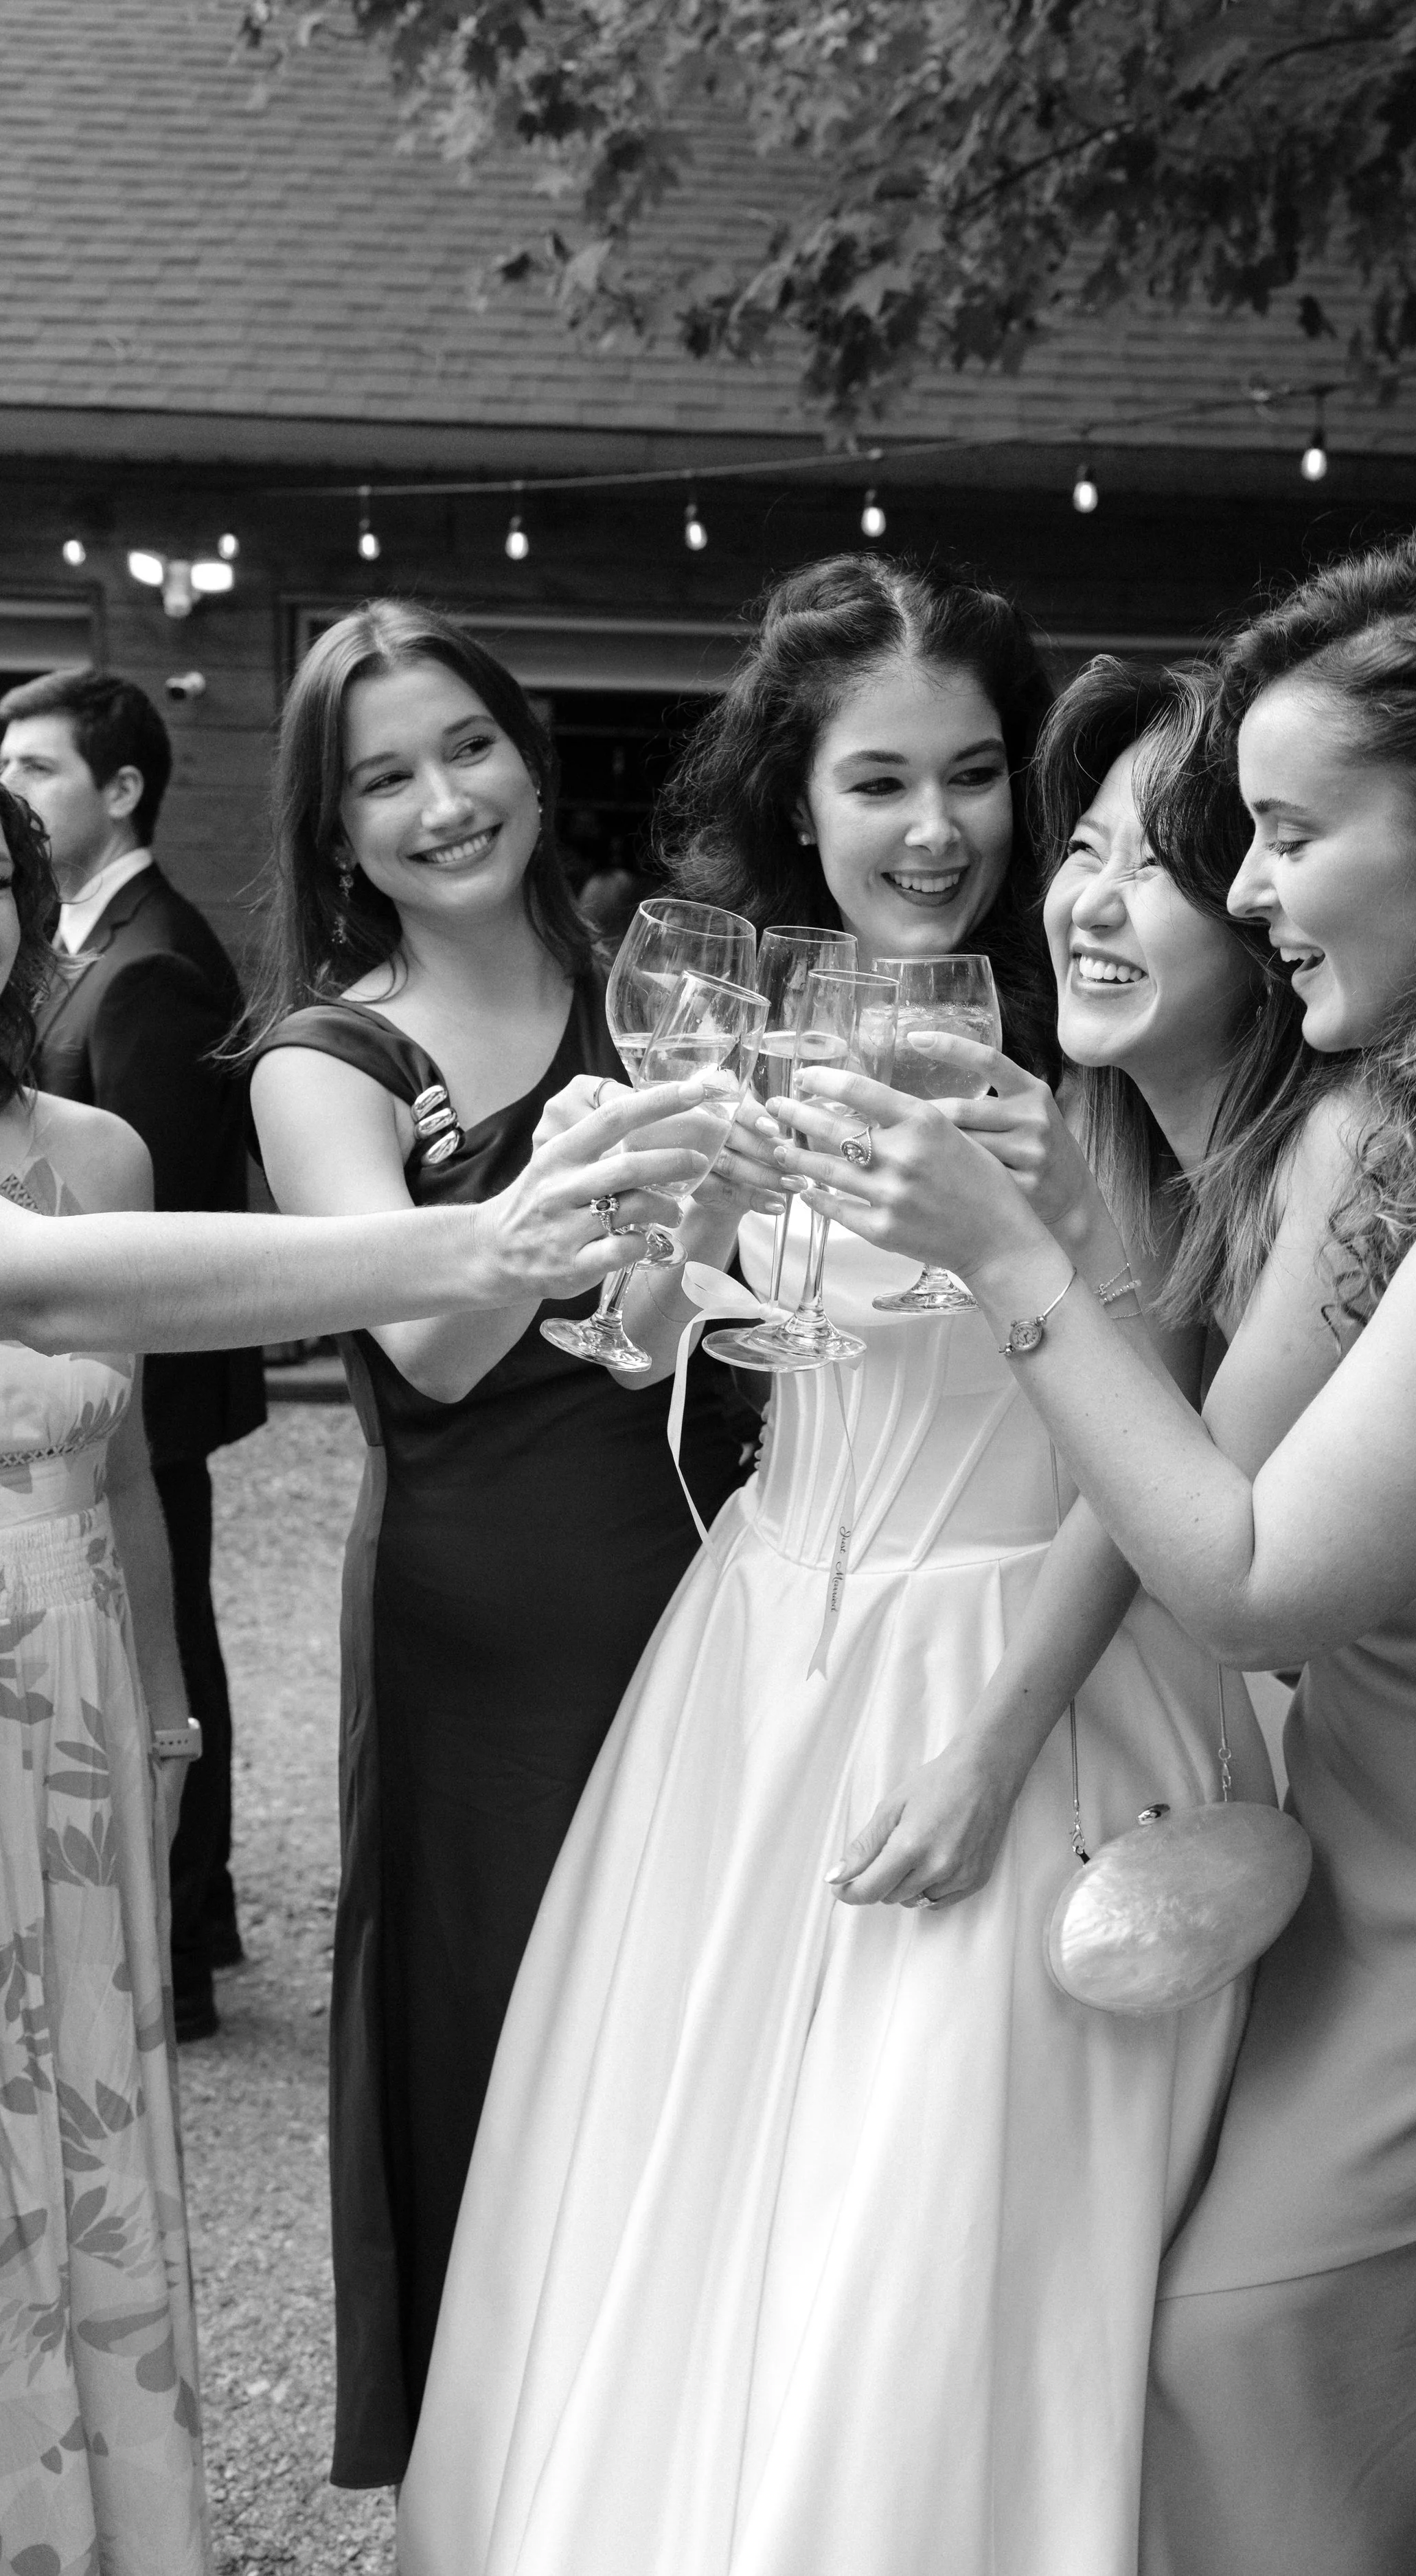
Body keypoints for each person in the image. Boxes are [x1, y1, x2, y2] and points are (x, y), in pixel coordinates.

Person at [768, 523, 1416, 2575]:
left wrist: (1008, 1256)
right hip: (1409, 1801)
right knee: (1361, 2354)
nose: (1243, 883)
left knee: (1241, 2337)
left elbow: (1255, 1568)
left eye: (1281, 831)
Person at [397, 563, 1275, 2576]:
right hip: (759, 1649)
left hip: (1021, 1659)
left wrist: (987, 1744)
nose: (936, 828)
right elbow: (692, 1325)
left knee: (929, 2195)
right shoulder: (755, 1035)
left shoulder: (1091, 1053)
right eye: (878, 780)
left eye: (973, 774)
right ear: (798, 801)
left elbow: (1152, 1446)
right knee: (697, 2154)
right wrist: (651, 1269)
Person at [243, 600, 749, 2489]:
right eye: (385, 776)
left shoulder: (661, 979)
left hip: (703, 1556)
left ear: (527, 753)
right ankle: (506, 2462)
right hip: (485, 1615)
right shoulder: (331, 1058)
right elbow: (432, 1337)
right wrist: (599, 1164)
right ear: (334, 827)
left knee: (695, 1995)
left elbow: (739, 1278)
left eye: (468, 747)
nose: (444, 799)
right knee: (499, 2003)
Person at [1, 668, 266, 2044]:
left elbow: (155, 1269)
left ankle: (182, 1929)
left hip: (86, 1570)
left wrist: (162, 1724)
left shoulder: (143, 993)